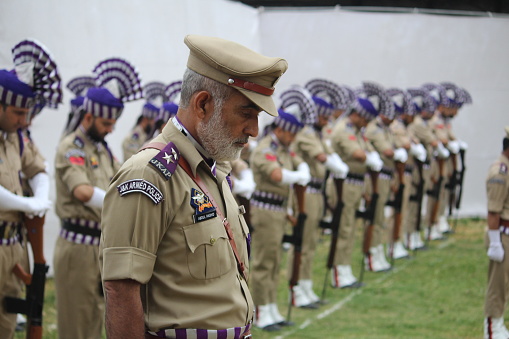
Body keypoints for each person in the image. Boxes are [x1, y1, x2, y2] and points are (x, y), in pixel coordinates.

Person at [99, 34, 288, 339]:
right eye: (246, 113)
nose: (254, 130)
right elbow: (121, 290)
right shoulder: (150, 175)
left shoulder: (211, 170)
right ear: (202, 104)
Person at [53, 57, 143, 339]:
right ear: (88, 117)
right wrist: (121, 205)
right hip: (78, 247)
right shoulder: (71, 147)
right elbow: (82, 191)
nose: (111, 129)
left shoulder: (103, 149)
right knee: (78, 324)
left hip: (102, 244)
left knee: (100, 320)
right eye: (106, 123)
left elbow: (121, 183)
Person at [0, 39, 59, 338]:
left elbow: (39, 168)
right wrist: (26, 205)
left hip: (14, 246)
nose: (24, 121)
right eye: (17, 113)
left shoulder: (17, 136)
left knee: (8, 323)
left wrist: (39, 196)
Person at [280, 84, 348, 308]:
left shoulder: (318, 134)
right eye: (324, 116)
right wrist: (336, 165)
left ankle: (306, 285)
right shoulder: (306, 134)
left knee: (311, 243)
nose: (327, 120)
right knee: (302, 242)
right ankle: (295, 288)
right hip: (306, 192)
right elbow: (321, 157)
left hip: (317, 192)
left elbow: (329, 154)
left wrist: (337, 164)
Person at [249, 109, 310, 330]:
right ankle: (260, 310)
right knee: (264, 263)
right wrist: (298, 176)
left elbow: (298, 159)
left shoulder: (283, 149)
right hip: (265, 211)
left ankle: (272, 307)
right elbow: (277, 175)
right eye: (291, 135)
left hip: (279, 210)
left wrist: (302, 168)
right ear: (281, 130)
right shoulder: (266, 148)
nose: (293, 140)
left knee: (275, 262)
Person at [328, 95, 383, 288]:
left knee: (350, 228)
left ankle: (345, 268)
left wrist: (372, 156)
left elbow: (368, 149)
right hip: (344, 184)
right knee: (344, 227)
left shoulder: (357, 131)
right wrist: (370, 158)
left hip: (356, 183)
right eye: (365, 119)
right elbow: (359, 154)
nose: (366, 124)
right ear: (358, 115)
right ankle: (339, 271)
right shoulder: (344, 129)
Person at [362, 82, 408, 271]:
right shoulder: (374, 129)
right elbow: (387, 151)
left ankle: (377, 251)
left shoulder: (385, 129)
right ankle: (370, 254)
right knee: (375, 217)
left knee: (381, 217)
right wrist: (397, 153)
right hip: (377, 177)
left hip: (386, 177)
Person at [483, 126, 509, 339]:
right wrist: (494, 242)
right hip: (502, 233)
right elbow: (493, 210)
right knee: (498, 285)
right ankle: (493, 326)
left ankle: (499, 321)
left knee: (506, 283)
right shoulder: (500, 171)